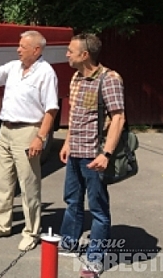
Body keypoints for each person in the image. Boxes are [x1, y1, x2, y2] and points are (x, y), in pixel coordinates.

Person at [0, 30, 59, 251]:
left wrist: (40, 138)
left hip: (28, 131)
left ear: (36, 50)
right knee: (2, 181)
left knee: (28, 184)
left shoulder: (46, 73)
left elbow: (51, 110)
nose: (18, 49)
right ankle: (1, 224)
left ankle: (31, 232)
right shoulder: (14, 67)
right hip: (5, 130)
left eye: (22, 47)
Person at [58, 34, 125, 278]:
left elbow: (118, 118)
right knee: (72, 201)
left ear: (84, 55)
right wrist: (66, 142)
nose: (67, 54)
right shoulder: (76, 77)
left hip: (94, 155)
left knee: (97, 208)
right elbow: (75, 114)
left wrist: (106, 153)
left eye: (70, 50)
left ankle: (95, 258)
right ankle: (70, 242)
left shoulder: (109, 79)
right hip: (75, 151)